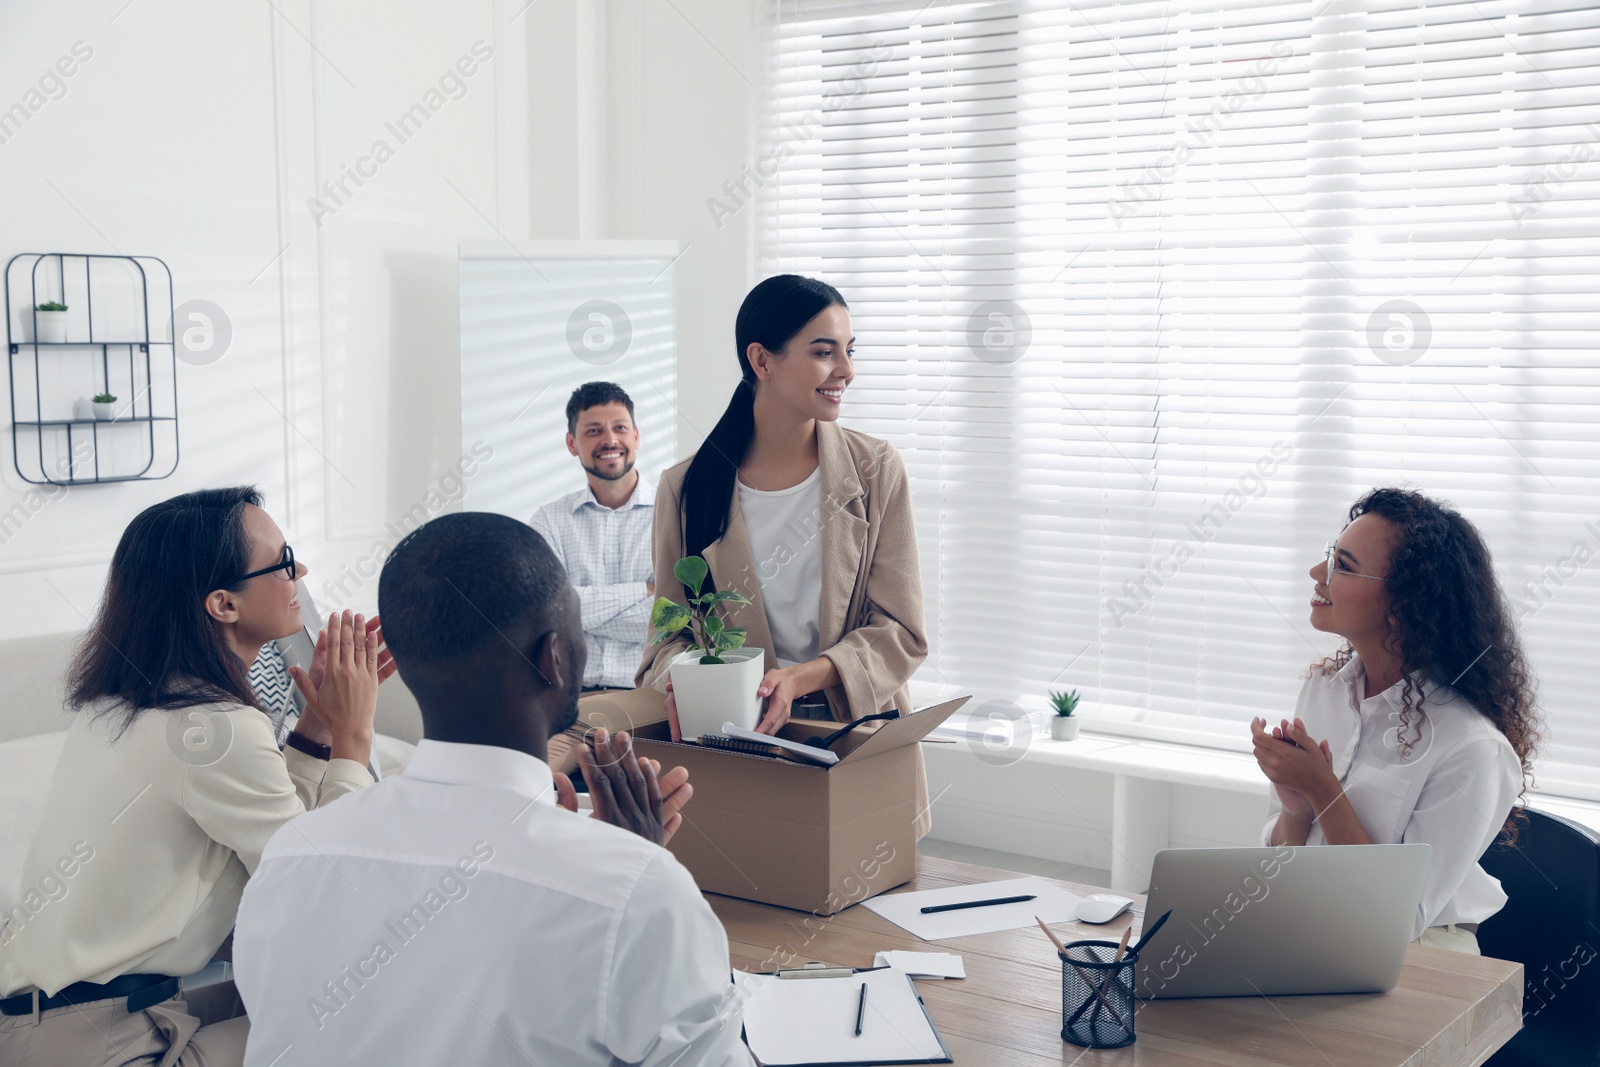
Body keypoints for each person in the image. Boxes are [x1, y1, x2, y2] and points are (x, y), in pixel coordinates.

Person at [232, 512, 752, 1067]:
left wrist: (620, 871)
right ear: (554, 656)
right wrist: (633, 876)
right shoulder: (635, 892)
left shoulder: (290, 858)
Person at [0, 487, 385, 1066]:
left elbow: (284, 842)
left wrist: (316, 730)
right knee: (369, 1011)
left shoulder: (121, 707)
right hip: (109, 1045)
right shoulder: (214, 726)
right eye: (282, 561)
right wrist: (355, 737)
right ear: (224, 604)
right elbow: (323, 891)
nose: (299, 570)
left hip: (60, 1029)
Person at [636, 274, 933, 835]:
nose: (846, 369)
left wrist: (800, 679)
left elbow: (901, 630)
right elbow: (666, 640)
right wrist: (688, 678)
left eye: (849, 350)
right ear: (762, 360)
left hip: (857, 738)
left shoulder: (876, 470)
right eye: (824, 352)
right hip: (736, 752)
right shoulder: (686, 488)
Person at [1252, 487, 1538, 954]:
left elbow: (1398, 919)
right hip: (1316, 924)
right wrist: (1297, 808)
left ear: (1405, 604)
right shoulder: (1324, 691)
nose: (1315, 574)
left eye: (1342, 565)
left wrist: (1324, 791)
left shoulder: (1472, 748)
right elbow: (1280, 867)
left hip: (1423, 954)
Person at [532, 382, 655, 774]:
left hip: (648, 701)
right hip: (569, 702)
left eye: (619, 428)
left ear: (636, 436)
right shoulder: (549, 521)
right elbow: (547, 615)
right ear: (572, 443)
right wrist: (644, 591)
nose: (609, 440)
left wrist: (577, 606)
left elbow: (674, 615)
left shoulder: (675, 515)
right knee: (534, 783)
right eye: (593, 430)